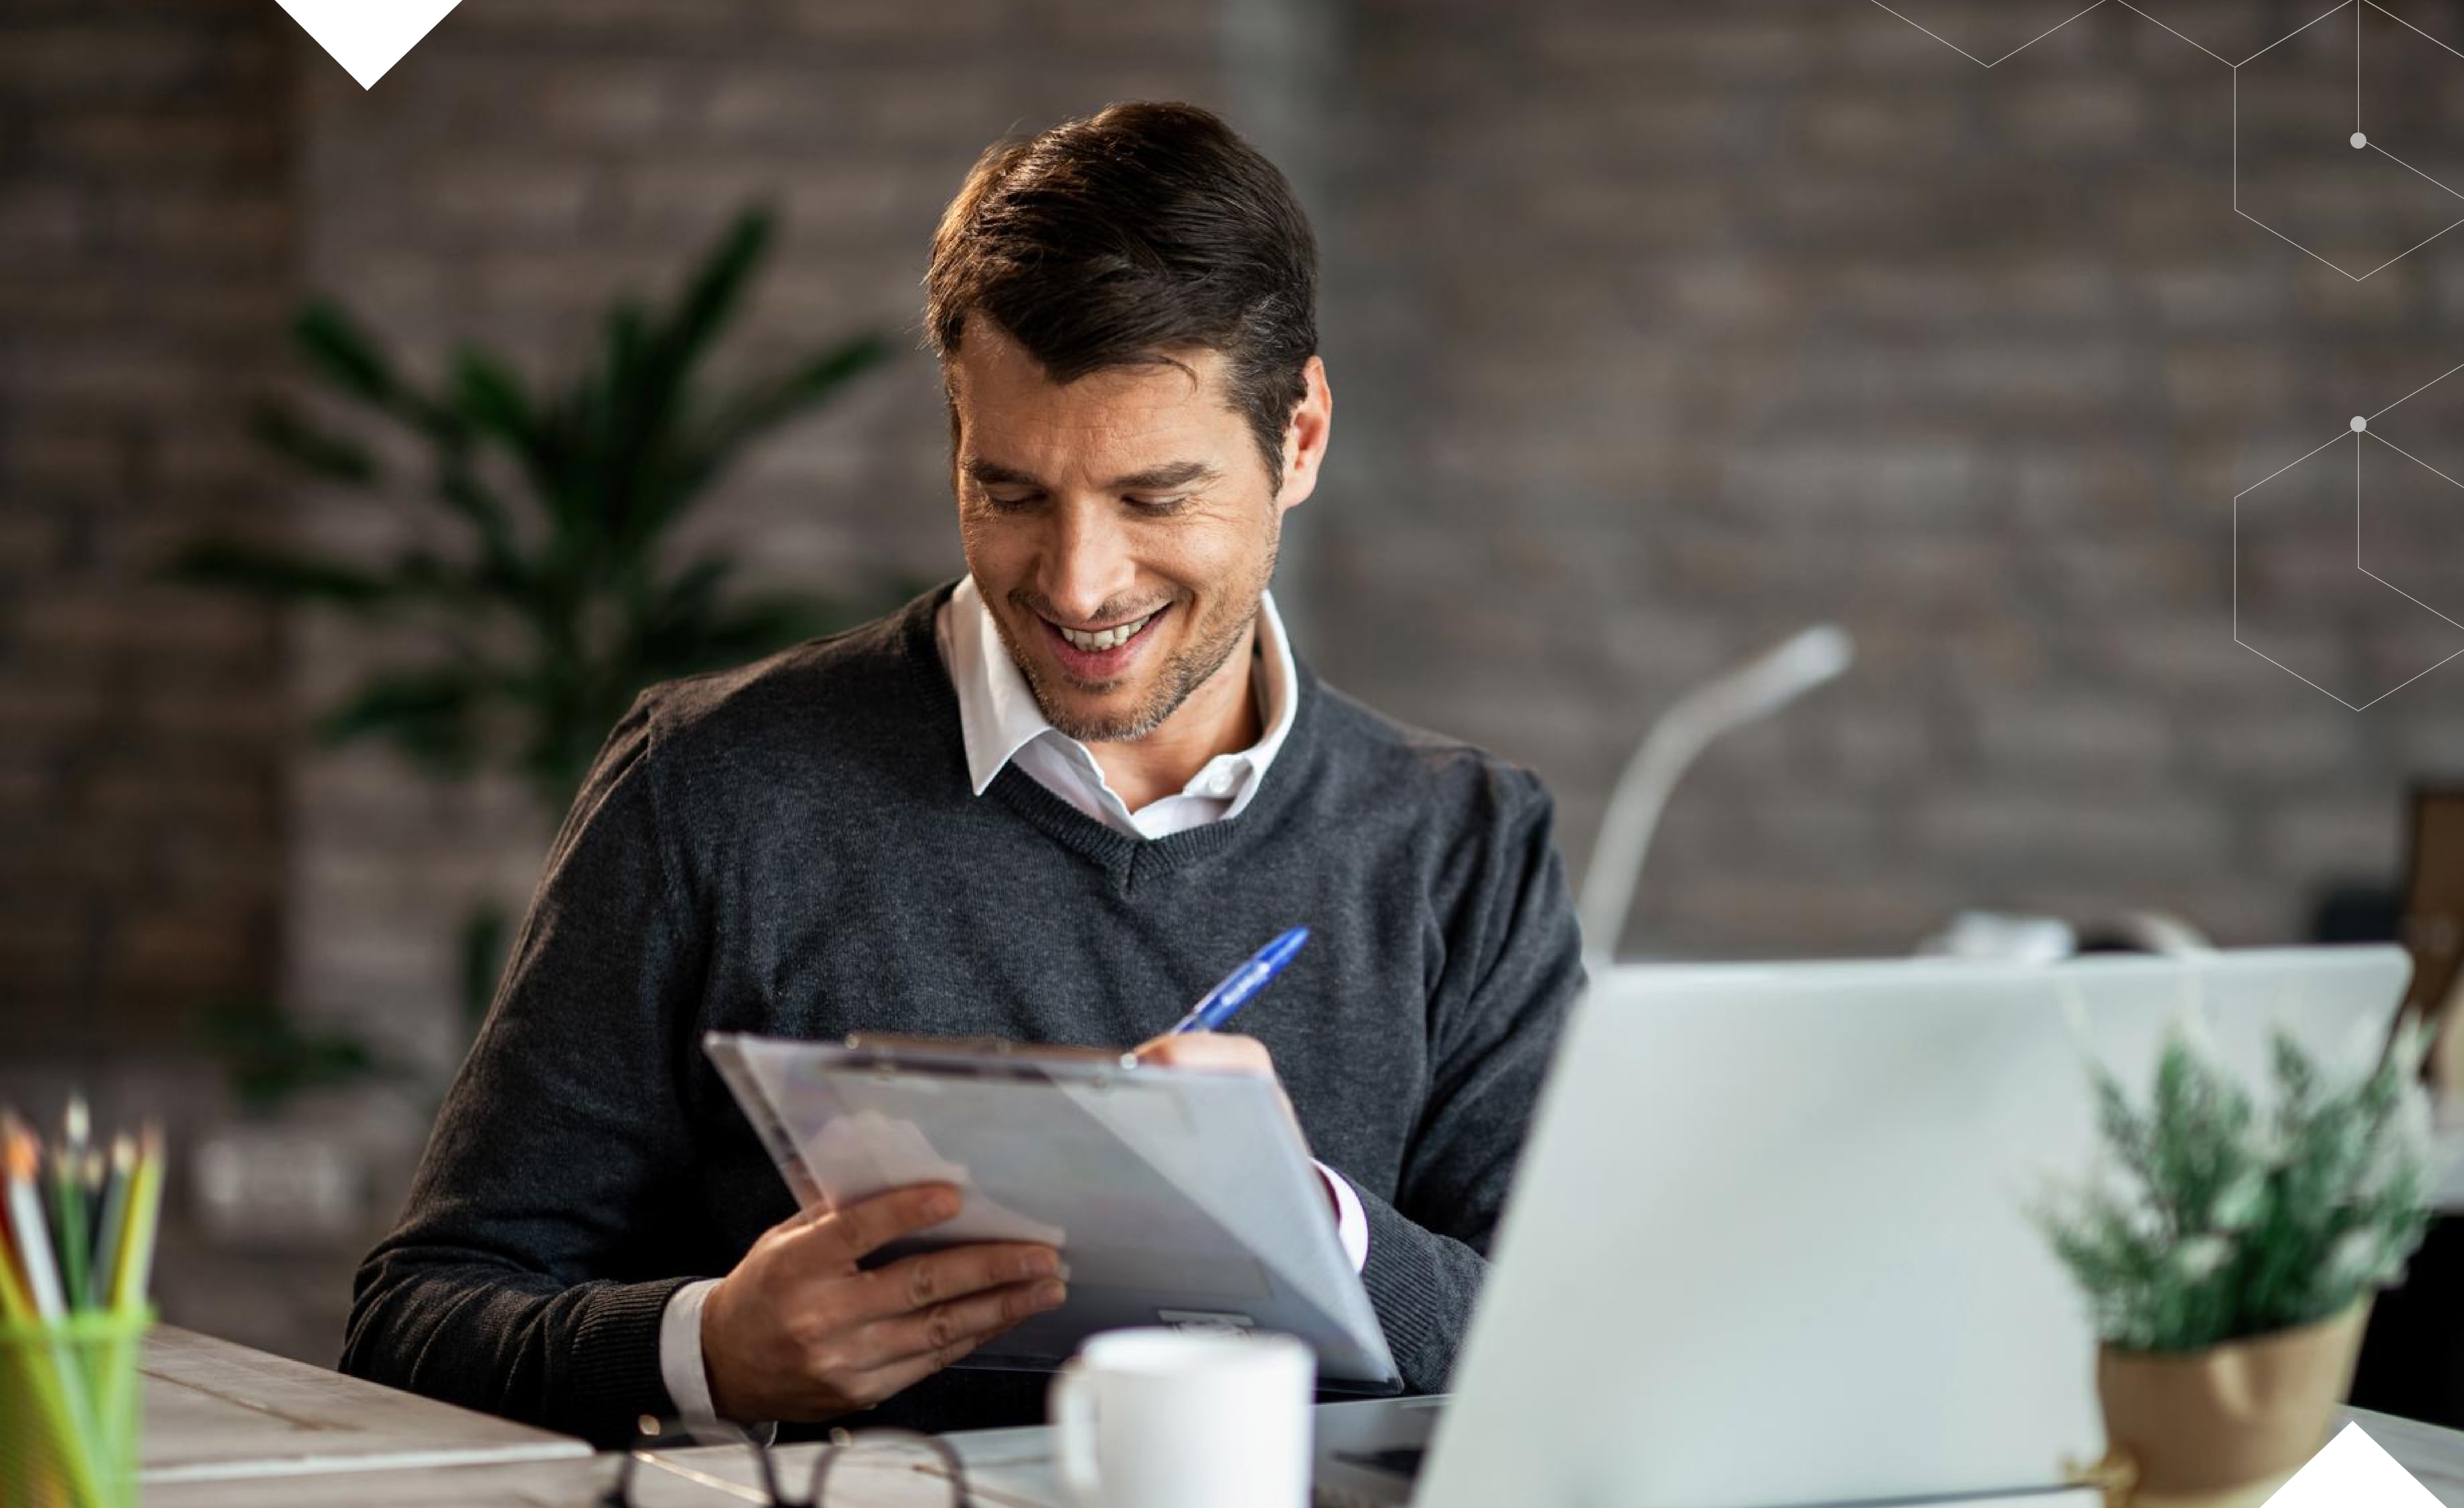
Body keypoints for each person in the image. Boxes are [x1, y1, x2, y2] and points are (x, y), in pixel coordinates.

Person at [340, 100, 1584, 1444]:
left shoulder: (1465, 843)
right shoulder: (711, 786)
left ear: (1301, 440)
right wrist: (707, 1351)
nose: (1078, 582)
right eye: (1011, 492)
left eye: (1154, 498)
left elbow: (1580, 1339)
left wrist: (1312, 1223)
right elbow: (416, 1320)